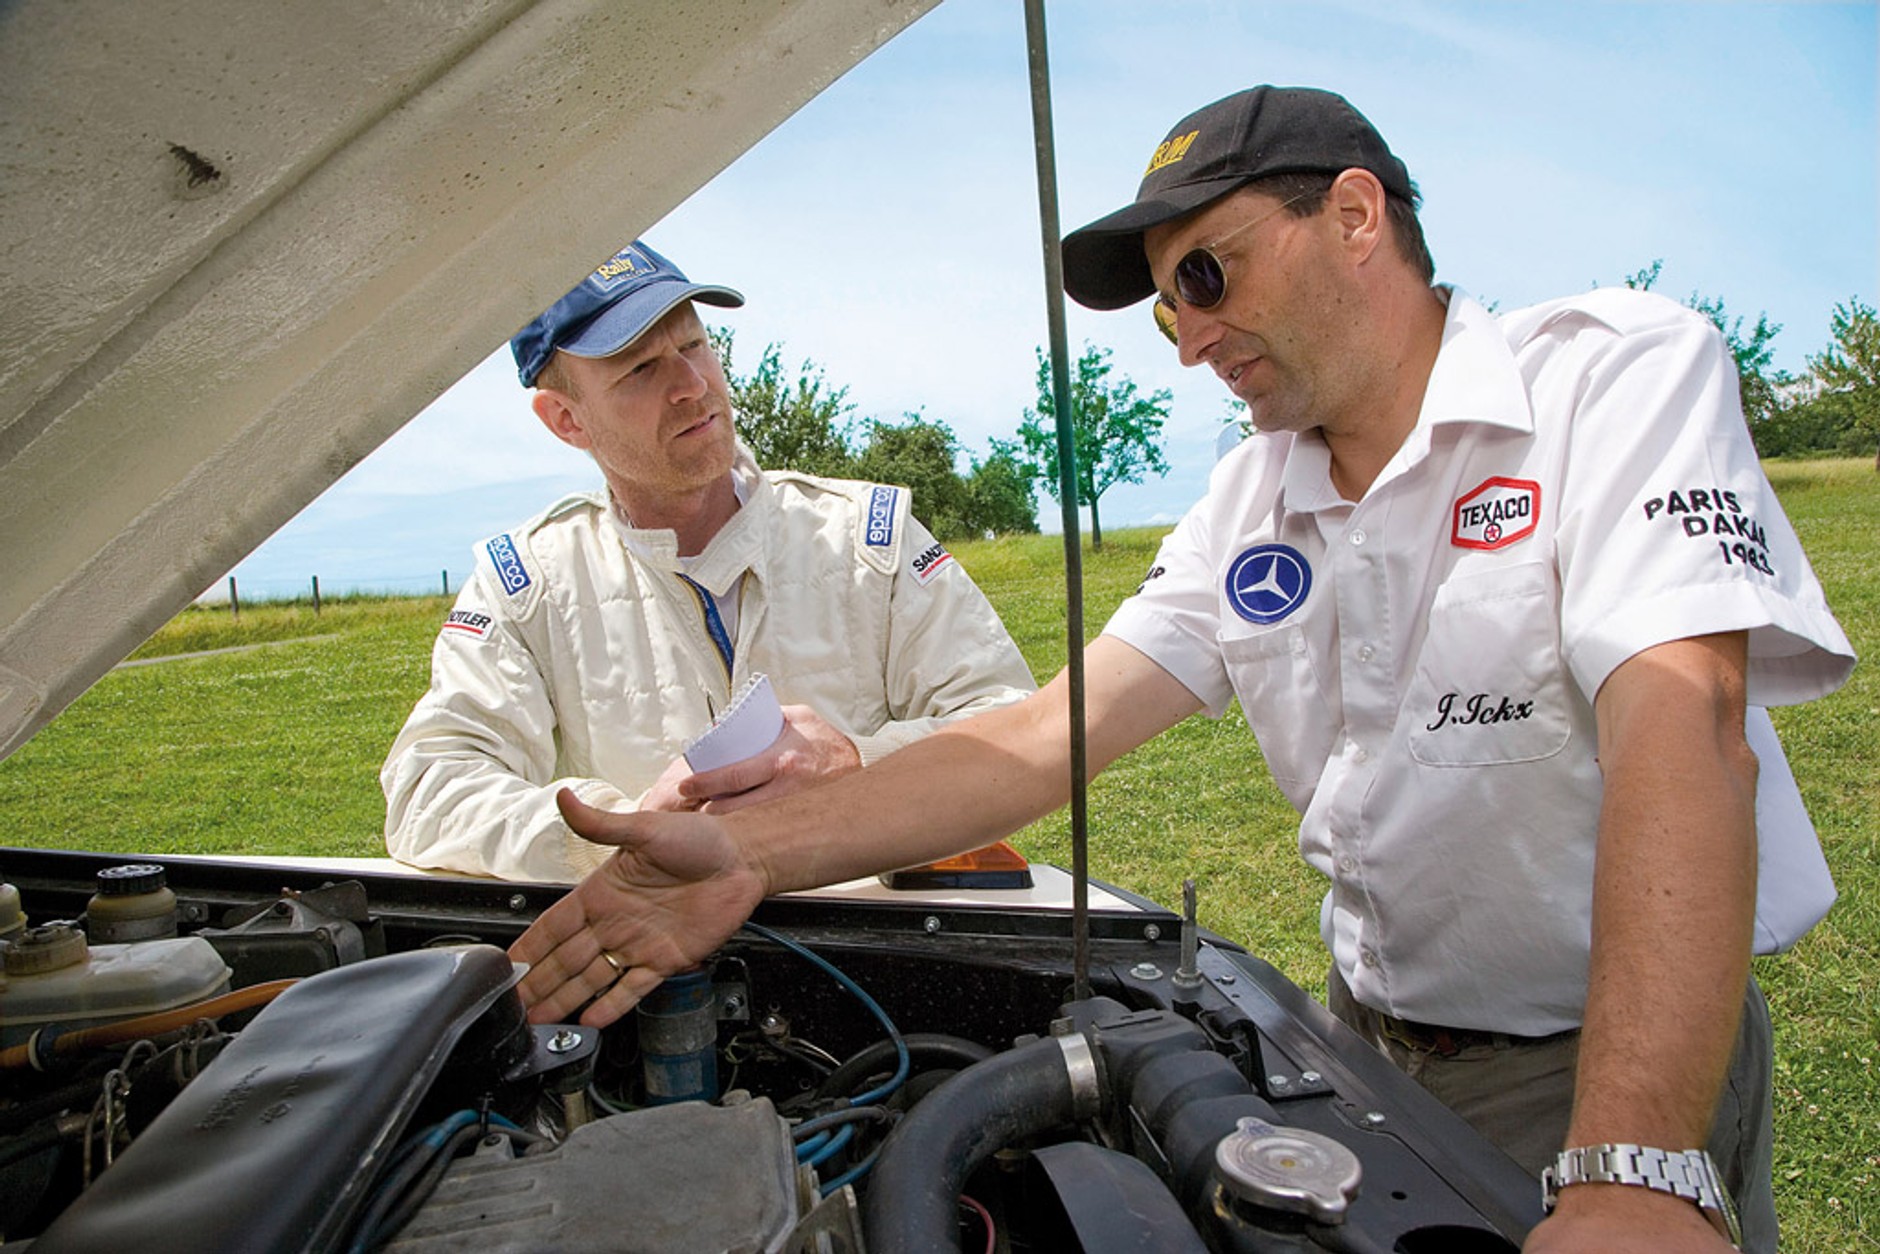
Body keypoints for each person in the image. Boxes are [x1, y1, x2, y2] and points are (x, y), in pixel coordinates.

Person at [507, 91, 1854, 1251]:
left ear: (1355, 215)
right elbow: (1036, 741)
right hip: (1362, 1044)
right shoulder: (1249, 500)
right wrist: (751, 852)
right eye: (1165, 315)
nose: (1192, 339)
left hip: (1601, 1053)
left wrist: (1634, 1163)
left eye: (1207, 278)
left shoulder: (1611, 379)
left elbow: (1690, 717)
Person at [381, 241, 1035, 882]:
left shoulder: (871, 537)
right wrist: (622, 831)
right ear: (565, 420)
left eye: (693, 345)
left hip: (869, 947)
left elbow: (1017, 728)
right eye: (640, 369)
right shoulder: (527, 582)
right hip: (658, 962)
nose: (693, 386)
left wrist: (859, 761)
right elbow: (427, 790)